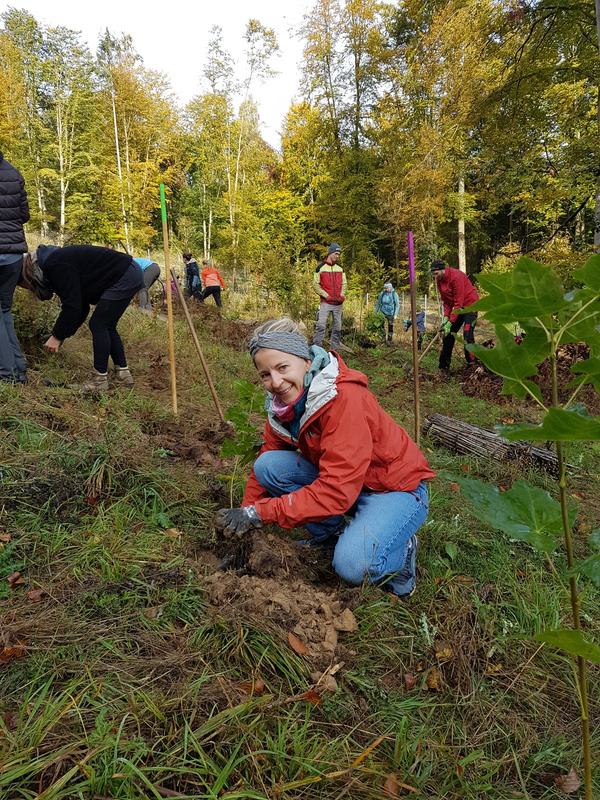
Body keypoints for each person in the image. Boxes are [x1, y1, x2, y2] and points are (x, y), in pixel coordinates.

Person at [215, 318, 436, 598]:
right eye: (265, 374)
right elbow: (265, 463)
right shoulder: (284, 407)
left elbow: (337, 491)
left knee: (352, 565)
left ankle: (401, 553)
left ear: (305, 361)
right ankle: (330, 536)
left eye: (283, 368)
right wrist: (243, 527)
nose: (275, 382)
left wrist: (260, 514)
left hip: (394, 489)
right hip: (348, 484)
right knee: (267, 465)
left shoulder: (342, 399)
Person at [18, 244, 144, 392]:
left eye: (25, 285)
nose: (29, 289)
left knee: (99, 324)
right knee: (107, 325)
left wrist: (58, 336)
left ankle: (99, 381)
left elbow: (73, 307)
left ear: (28, 276)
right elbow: (81, 307)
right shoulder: (50, 264)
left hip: (124, 274)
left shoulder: (54, 265)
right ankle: (123, 375)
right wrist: (60, 335)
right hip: (129, 271)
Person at [0, 151, 30, 384]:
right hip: (13, 256)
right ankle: (19, 369)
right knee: (3, 310)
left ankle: (6, 374)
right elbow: (24, 215)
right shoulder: (14, 171)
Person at [430, 260, 479, 371]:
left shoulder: (456, 277)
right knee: (448, 335)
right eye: (433, 274)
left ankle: (472, 365)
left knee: (467, 335)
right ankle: (443, 366)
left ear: (443, 269)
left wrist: (451, 322)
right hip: (458, 308)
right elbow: (446, 301)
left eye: (436, 273)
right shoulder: (439, 280)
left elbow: (458, 302)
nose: (435, 276)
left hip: (470, 306)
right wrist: (446, 318)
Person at [313, 243, 346, 351]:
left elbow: (344, 283)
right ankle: (317, 349)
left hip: (338, 304)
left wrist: (342, 296)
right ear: (330, 253)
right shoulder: (320, 268)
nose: (338, 256)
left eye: (339, 254)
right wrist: (326, 296)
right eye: (336, 253)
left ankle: (334, 352)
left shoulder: (340, 268)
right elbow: (315, 285)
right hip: (325, 303)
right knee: (320, 326)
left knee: (337, 328)